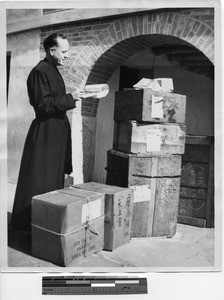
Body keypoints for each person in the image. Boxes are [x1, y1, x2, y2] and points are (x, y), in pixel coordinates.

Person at [10, 33, 82, 232]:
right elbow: (43, 105)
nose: (67, 56)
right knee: (40, 179)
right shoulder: (40, 71)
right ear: (52, 50)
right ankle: (28, 225)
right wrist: (71, 98)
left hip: (56, 132)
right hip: (45, 134)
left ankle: (45, 223)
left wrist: (72, 98)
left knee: (52, 179)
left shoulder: (52, 70)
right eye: (64, 51)